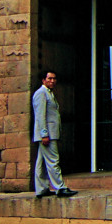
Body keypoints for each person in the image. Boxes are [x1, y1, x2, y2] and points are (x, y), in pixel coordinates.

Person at [32, 69, 75, 197]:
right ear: (43, 80)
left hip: (49, 133)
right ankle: (60, 187)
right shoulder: (41, 93)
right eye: (49, 78)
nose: (52, 81)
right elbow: (40, 116)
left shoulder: (48, 93)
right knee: (53, 160)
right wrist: (44, 133)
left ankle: (41, 188)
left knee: (41, 162)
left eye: (54, 79)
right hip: (47, 134)